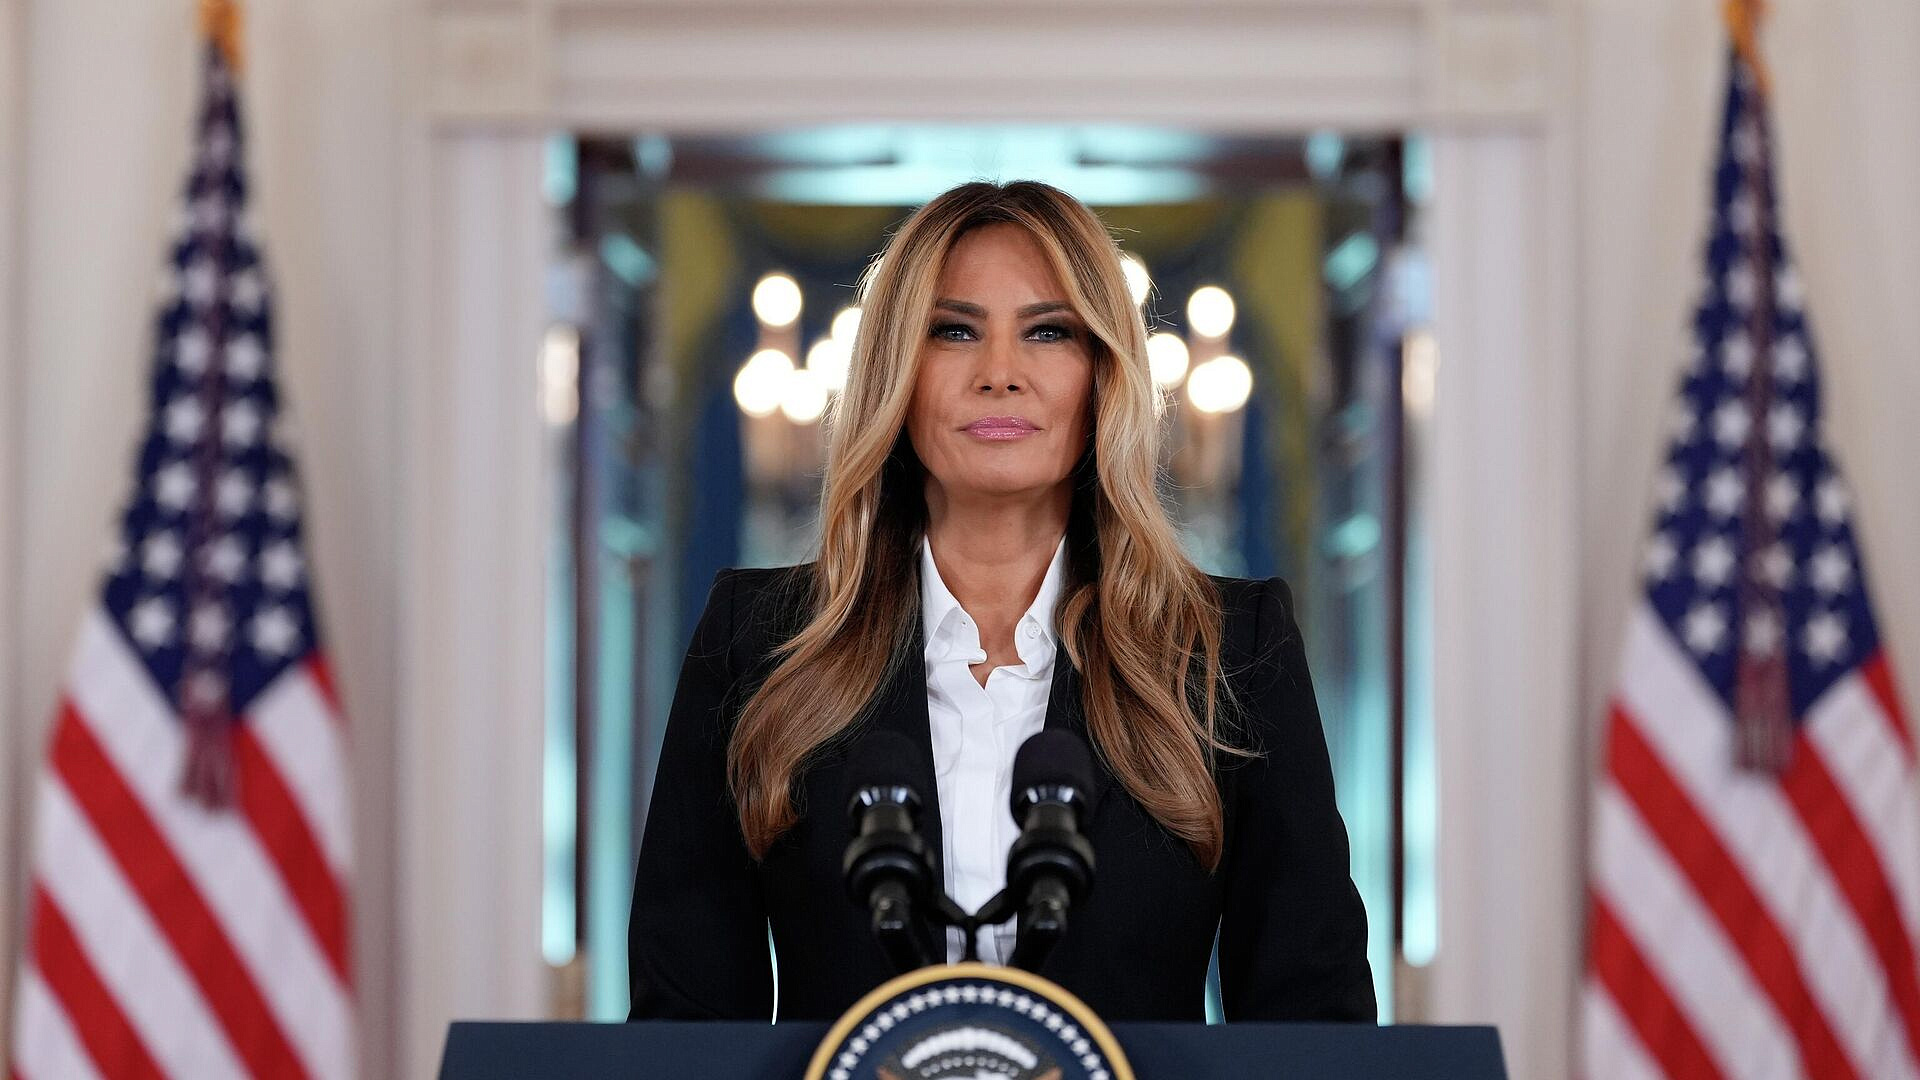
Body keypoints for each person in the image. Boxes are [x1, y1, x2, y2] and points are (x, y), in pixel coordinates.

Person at [627, 180, 1375, 1025]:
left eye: (1048, 332)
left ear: (1104, 372)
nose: (1000, 375)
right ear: (895, 371)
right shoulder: (757, 642)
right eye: (954, 331)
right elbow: (683, 1030)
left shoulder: (1230, 649)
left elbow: (1314, 1025)